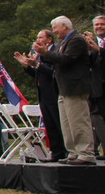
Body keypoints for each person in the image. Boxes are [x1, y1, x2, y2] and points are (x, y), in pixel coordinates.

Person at [35, 15, 95, 164]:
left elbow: (65, 59)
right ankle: (73, 152)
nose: (54, 31)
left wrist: (44, 53)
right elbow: (57, 61)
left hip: (75, 87)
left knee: (78, 121)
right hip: (63, 88)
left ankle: (86, 153)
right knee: (67, 123)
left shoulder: (76, 40)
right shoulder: (64, 42)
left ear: (64, 26)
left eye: (55, 28)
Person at [14, 29, 67, 161]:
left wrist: (37, 64)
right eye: (37, 37)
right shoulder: (37, 54)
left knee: (59, 123)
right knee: (50, 124)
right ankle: (56, 152)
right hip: (43, 94)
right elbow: (38, 75)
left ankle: (66, 151)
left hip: (54, 92)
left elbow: (53, 73)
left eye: (41, 37)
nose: (38, 40)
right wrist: (27, 67)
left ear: (49, 39)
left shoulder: (55, 52)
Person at [83, 15, 105, 159]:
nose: (99, 27)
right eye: (96, 25)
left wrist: (99, 50)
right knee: (97, 119)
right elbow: (88, 64)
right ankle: (96, 149)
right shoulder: (92, 43)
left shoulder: (98, 46)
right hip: (97, 89)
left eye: (102, 24)